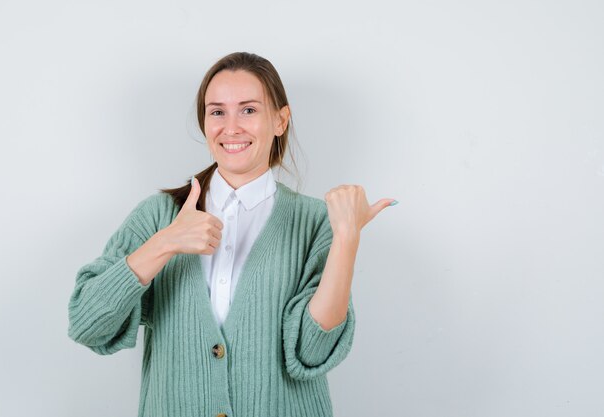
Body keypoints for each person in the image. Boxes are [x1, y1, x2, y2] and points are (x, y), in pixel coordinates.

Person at [67, 51, 397, 417]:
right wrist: (164, 243)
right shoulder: (159, 215)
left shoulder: (318, 221)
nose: (232, 127)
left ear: (280, 121)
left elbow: (313, 351)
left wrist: (347, 240)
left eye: (249, 110)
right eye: (217, 111)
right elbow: (86, 324)